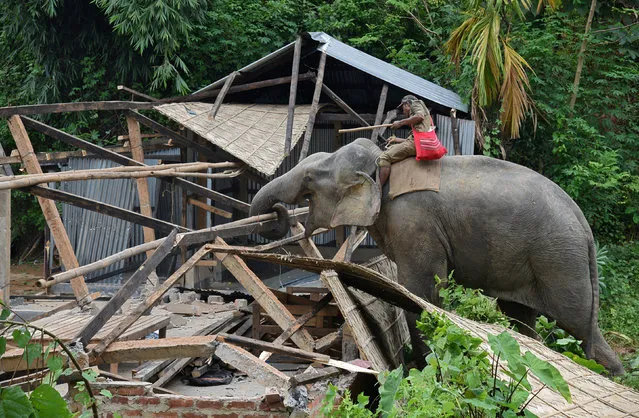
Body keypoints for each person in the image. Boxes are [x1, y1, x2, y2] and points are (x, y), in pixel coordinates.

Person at [376, 95, 446, 188]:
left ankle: (377, 190)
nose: (403, 111)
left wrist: (400, 122)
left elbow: (419, 116)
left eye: (403, 108)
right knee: (392, 148)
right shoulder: (420, 121)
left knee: (385, 157)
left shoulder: (416, 103)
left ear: (407, 104)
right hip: (420, 143)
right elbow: (413, 140)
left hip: (417, 144)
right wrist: (396, 140)